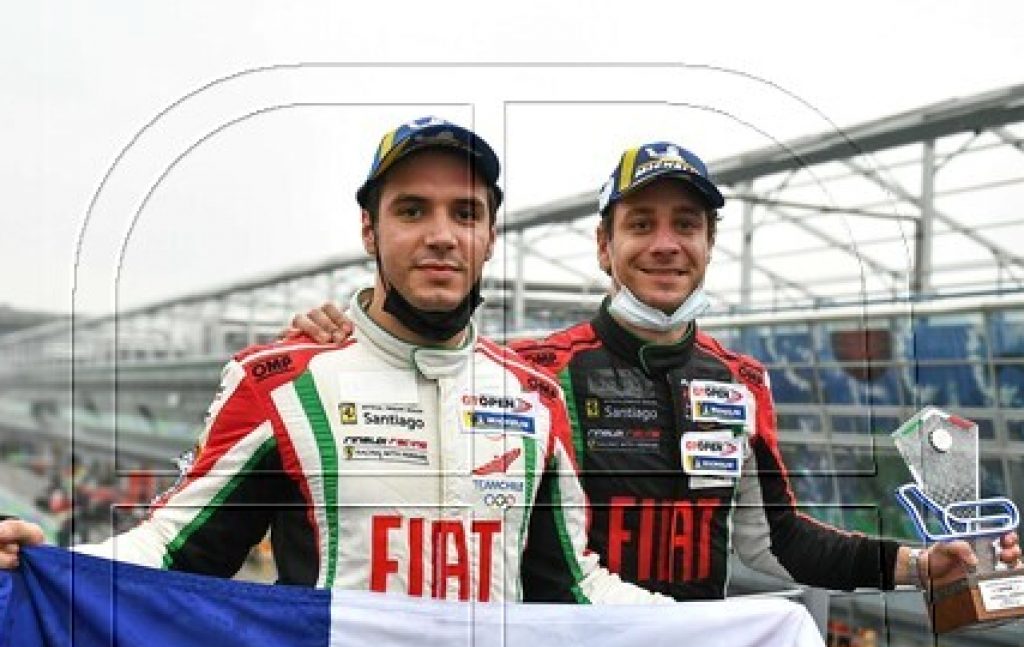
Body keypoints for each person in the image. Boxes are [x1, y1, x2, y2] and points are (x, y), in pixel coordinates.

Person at [285, 140, 1019, 598]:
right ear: (604, 247)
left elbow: (781, 544)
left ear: (708, 244)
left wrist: (920, 565)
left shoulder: (743, 382)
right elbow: (419, 370)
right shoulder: (530, 371)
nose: (665, 244)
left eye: (687, 225)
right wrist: (340, 332)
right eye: (641, 225)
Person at [0, 118, 666, 606]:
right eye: (412, 210)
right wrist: (43, 562)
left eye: (464, 212)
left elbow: (573, 587)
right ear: (370, 230)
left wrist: (746, 633)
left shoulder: (533, 398)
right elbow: (175, 547)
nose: (440, 234)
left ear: (489, 237)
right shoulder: (280, 380)